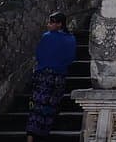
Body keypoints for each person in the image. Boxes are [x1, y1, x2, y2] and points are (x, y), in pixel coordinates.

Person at [26, 11, 77, 142]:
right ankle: (43, 133)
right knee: (51, 106)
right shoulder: (71, 39)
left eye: (51, 22)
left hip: (44, 75)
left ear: (59, 24)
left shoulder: (47, 37)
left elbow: (39, 54)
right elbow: (70, 58)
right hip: (59, 76)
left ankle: (31, 136)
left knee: (38, 105)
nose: (48, 25)